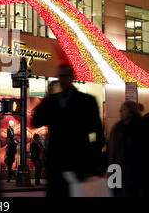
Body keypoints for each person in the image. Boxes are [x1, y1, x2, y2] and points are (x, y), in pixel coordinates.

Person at [32, 64, 105, 197]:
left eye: (65, 76)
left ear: (72, 77)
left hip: (78, 163)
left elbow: (97, 134)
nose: (62, 80)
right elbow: (36, 121)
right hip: (56, 164)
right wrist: (47, 96)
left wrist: (90, 163)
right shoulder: (52, 101)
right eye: (60, 76)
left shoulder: (87, 101)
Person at [107, 101, 144, 197]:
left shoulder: (141, 127)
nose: (120, 112)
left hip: (134, 174)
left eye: (123, 110)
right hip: (118, 172)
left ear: (131, 112)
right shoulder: (117, 128)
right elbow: (111, 152)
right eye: (120, 109)